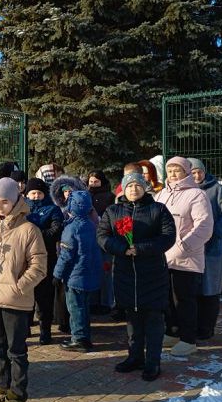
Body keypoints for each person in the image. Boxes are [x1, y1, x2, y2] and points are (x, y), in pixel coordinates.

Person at [0, 178, 47, 402]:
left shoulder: (29, 230)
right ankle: (1, 391)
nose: (0, 206)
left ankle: (17, 397)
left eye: (4, 201)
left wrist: (19, 286)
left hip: (16, 301)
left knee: (15, 351)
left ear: (16, 201)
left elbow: (39, 266)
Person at [98, 173, 176, 381]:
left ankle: (153, 361)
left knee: (153, 318)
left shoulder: (158, 209)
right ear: (124, 189)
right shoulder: (113, 211)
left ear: (144, 187)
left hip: (152, 273)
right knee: (132, 318)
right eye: (129, 186)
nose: (133, 189)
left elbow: (168, 237)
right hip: (125, 273)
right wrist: (122, 249)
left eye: (137, 185)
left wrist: (140, 249)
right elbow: (102, 236)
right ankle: (135, 357)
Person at [154, 157, 214, 356]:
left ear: (187, 172)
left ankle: (188, 339)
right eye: (170, 170)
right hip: (163, 256)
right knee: (167, 299)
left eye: (177, 170)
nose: (173, 174)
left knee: (184, 300)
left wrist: (184, 245)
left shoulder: (197, 195)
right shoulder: (162, 194)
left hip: (186, 258)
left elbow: (204, 226)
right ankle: (172, 331)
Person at [188, 158, 222, 340]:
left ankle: (206, 328)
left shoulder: (217, 189)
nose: (196, 175)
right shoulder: (183, 191)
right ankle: (189, 325)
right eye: (192, 172)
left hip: (211, 249)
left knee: (209, 289)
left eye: (199, 171)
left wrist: (215, 232)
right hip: (189, 249)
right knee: (190, 290)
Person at [53, 190, 102, 352]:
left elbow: (66, 255)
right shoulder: (92, 225)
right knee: (84, 307)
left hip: (75, 276)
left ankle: (79, 338)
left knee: (75, 308)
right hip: (89, 274)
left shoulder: (72, 228)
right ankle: (85, 336)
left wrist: (57, 274)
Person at [25, 178, 64, 345]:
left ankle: (45, 330)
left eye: (39, 193)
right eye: (32, 193)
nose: (35, 196)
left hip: (46, 257)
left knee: (44, 296)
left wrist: (36, 235)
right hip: (26, 259)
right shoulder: (22, 209)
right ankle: (25, 327)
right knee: (26, 293)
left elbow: (56, 230)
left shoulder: (53, 209)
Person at [87, 170, 115, 314]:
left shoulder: (109, 196)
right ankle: (92, 301)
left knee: (105, 269)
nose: (93, 184)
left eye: (96, 182)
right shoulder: (86, 195)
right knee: (91, 269)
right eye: (91, 182)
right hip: (89, 236)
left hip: (105, 236)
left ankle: (105, 302)